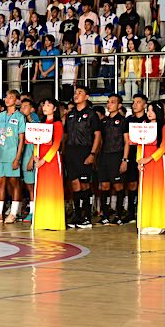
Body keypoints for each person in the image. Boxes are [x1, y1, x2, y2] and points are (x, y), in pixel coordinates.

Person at [64, 86, 102, 228]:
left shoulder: (91, 114)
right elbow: (66, 134)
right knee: (75, 184)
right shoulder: (71, 114)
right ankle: (77, 215)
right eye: (75, 93)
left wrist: (93, 154)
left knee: (85, 184)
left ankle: (86, 216)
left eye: (80, 93)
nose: (76, 95)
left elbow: (97, 135)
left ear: (86, 97)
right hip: (71, 151)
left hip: (85, 150)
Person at [0, 90, 27, 224]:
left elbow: (22, 139)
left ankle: (14, 213)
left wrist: (17, 158)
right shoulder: (0, 116)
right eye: (7, 96)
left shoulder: (20, 117)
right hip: (1, 155)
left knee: (14, 183)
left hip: (12, 154)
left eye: (11, 97)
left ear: (16, 101)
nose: (8, 99)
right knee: (0, 183)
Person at [135, 101, 165, 234]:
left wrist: (148, 159)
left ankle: (158, 223)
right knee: (145, 191)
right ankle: (145, 222)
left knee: (158, 191)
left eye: (152, 110)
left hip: (157, 162)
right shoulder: (143, 126)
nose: (149, 113)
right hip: (144, 163)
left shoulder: (163, 127)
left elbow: (163, 148)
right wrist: (139, 161)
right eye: (148, 110)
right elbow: (139, 144)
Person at [33, 98, 66, 231]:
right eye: (43, 105)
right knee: (42, 189)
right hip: (40, 159)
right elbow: (35, 141)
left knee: (53, 189)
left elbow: (56, 144)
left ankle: (54, 221)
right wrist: (35, 155)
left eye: (48, 105)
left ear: (55, 108)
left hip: (51, 160)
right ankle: (42, 220)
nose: (45, 107)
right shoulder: (40, 123)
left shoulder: (57, 123)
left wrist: (44, 160)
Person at [97, 94, 129, 225]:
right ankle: (104, 215)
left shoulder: (123, 121)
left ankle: (119, 215)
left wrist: (124, 160)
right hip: (104, 156)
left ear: (119, 105)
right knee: (104, 185)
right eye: (108, 102)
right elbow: (99, 140)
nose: (109, 105)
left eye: (112, 102)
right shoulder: (103, 121)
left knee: (118, 185)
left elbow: (127, 142)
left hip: (117, 155)